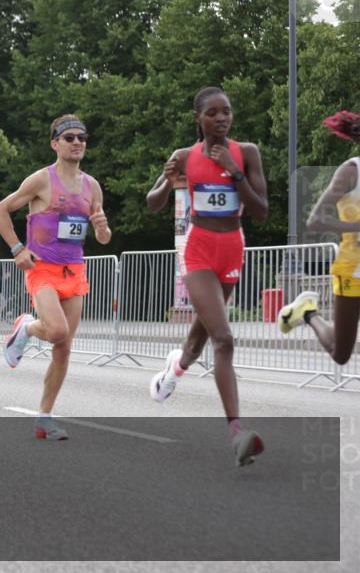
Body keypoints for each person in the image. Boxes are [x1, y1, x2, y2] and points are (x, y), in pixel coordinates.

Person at [146, 86, 269, 466]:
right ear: (198, 119)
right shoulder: (184, 156)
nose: (222, 118)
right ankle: (236, 432)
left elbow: (261, 211)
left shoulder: (246, 153)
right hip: (198, 250)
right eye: (213, 113)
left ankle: (174, 369)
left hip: (232, 248)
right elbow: (152, 204)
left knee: (200, 340)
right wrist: (167, 180)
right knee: (224, 338)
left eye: (226, 112)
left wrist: (235, 175)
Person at [0, 115, 111, 440]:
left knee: (64, 348)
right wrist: (18, 248)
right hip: (41, 268)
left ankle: (44, 417)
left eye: (82, 137)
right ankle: (25, 328)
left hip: (75, 271)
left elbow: (103, 238)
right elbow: (0, 210)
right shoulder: (41, 181)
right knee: (56, 331)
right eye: (69, 137)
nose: (77, 142)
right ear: (55, 143)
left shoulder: (92, 186)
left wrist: (102, 228)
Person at [277, 110, 360, 366]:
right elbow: (316, 220)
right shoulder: (351, 170)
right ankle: (308, 313)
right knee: (340, 353)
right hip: (353, 267)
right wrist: (356, 225)